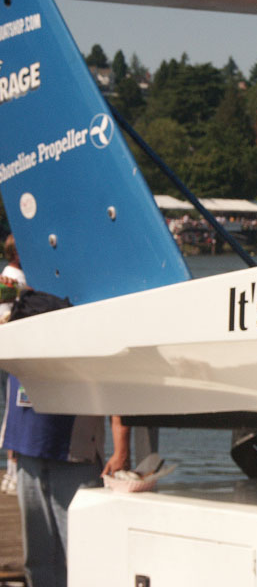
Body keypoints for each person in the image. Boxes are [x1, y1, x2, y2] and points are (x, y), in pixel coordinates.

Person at [0, 234, 131, 587]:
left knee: (80, 552)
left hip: (71, 451)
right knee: (38, 557)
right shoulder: (19, 300)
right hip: (27, 448)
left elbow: (112, 379)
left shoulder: (81, 305)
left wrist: (121, 449)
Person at [0, 234, 26, 495]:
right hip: (14, 351)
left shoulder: (6, 277)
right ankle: (15, 472)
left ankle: (10, 472)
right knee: (16, 411)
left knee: (12, 410)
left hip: (5, 351)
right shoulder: (16, 280)